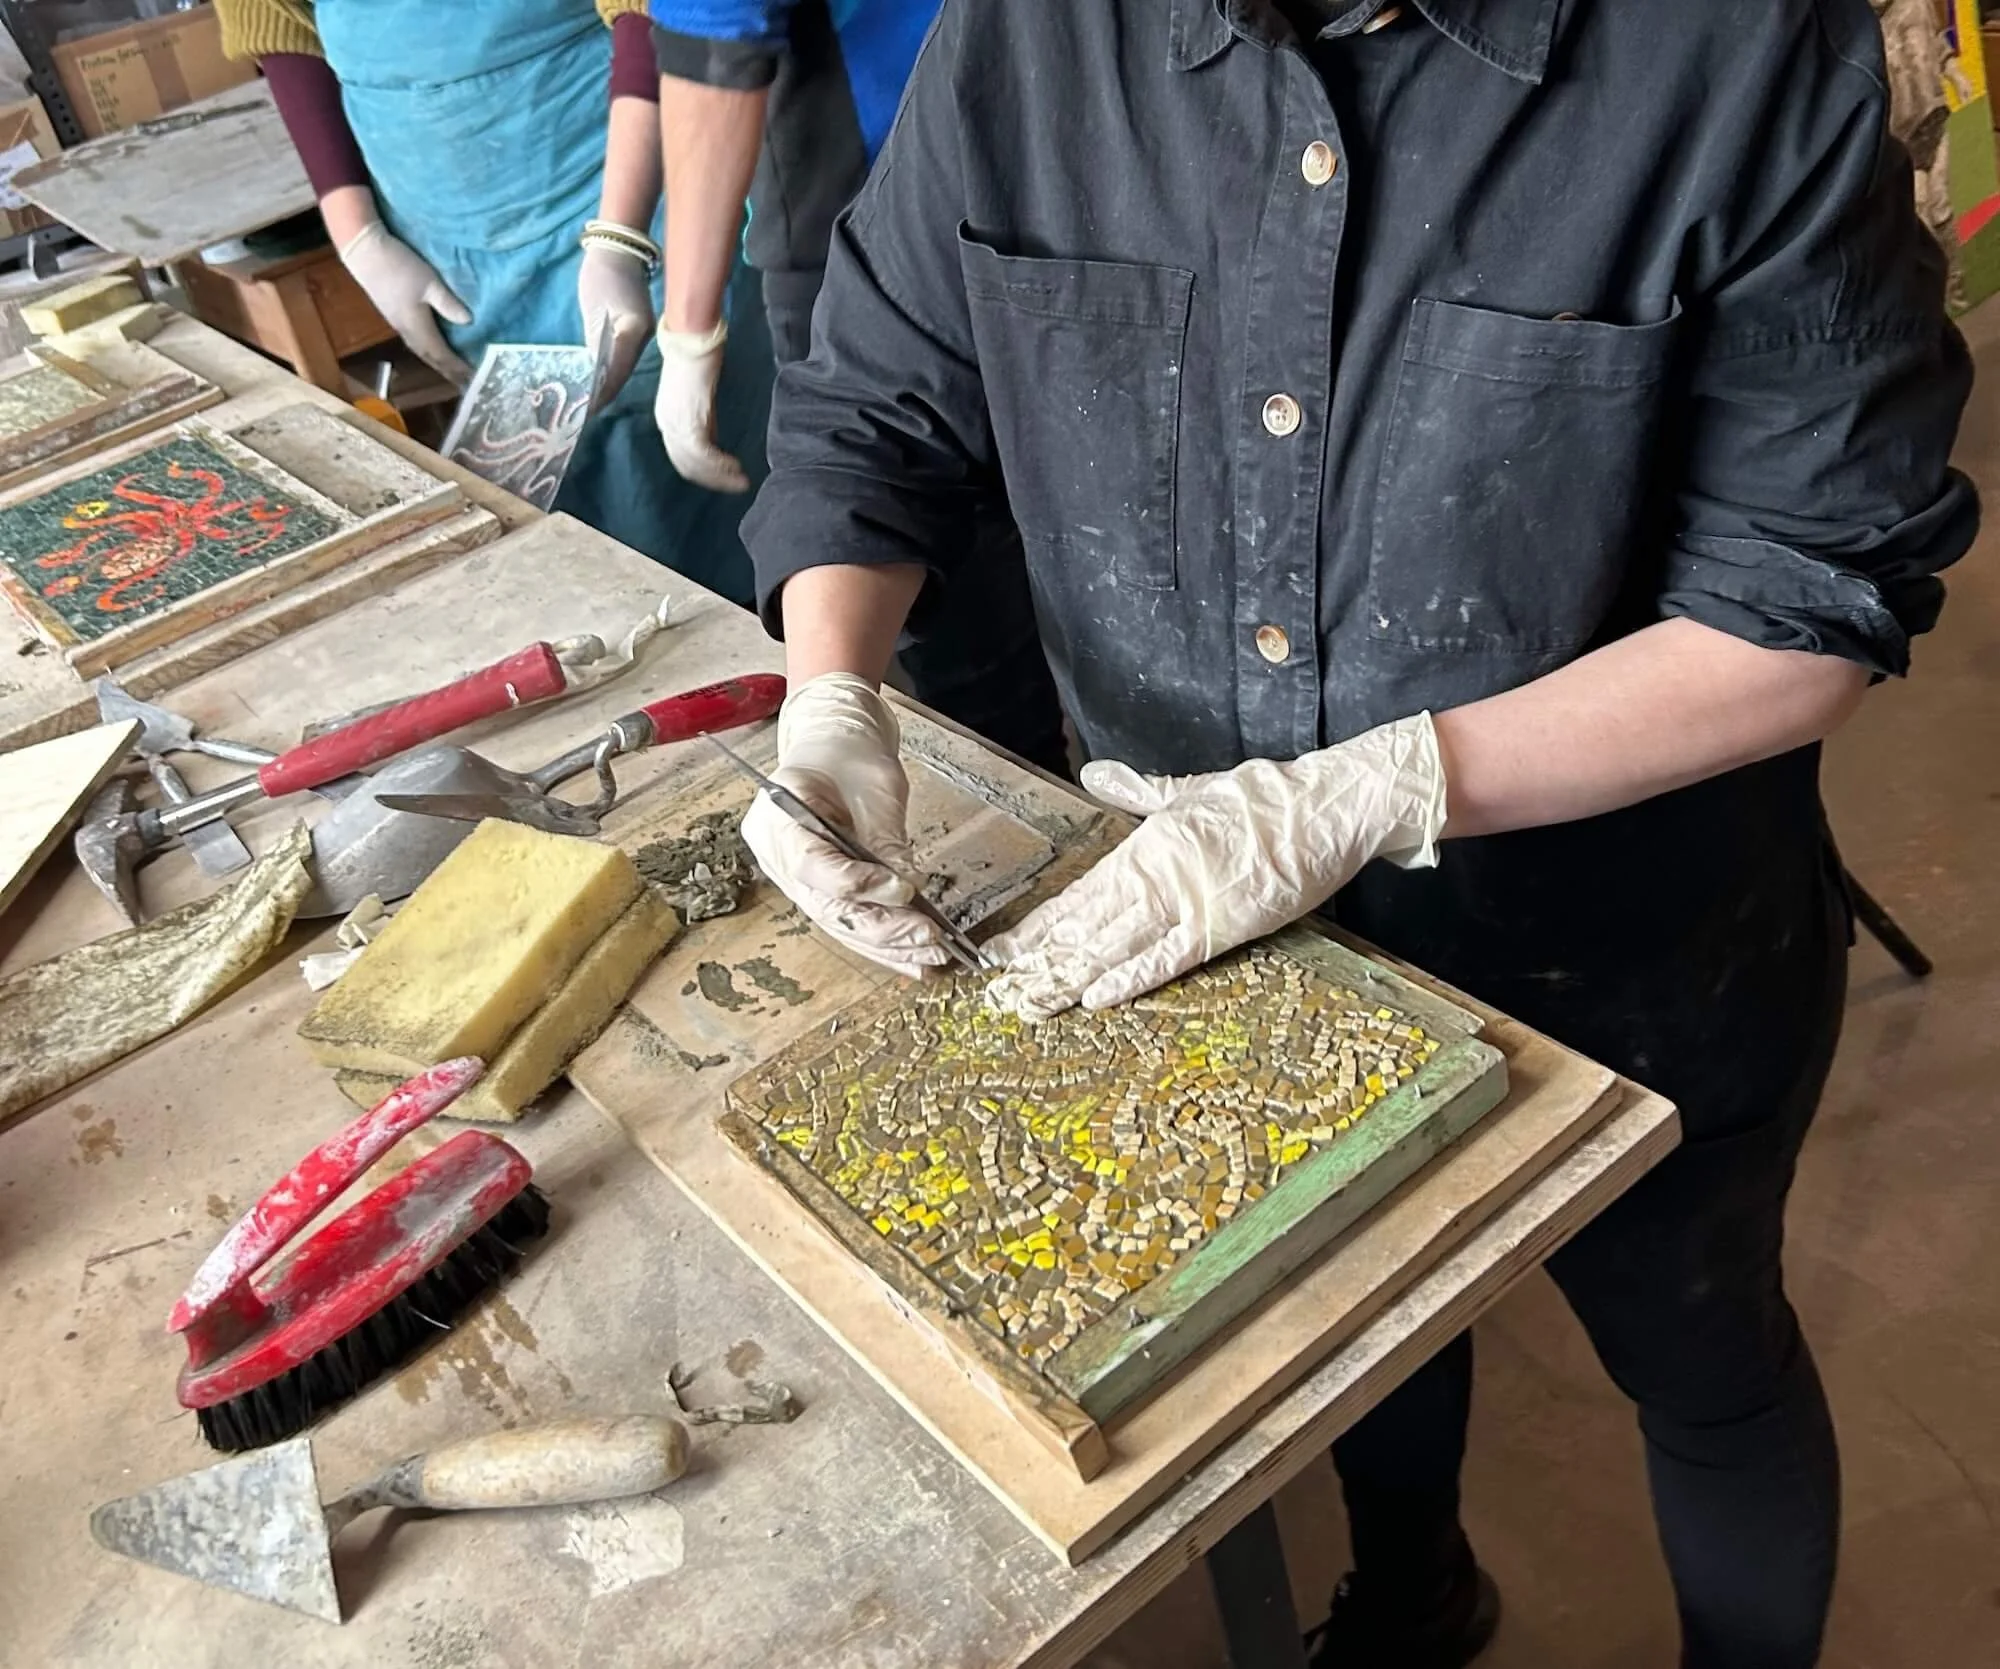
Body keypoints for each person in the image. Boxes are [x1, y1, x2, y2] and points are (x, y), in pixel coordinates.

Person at [735, 3, 1978, 1666]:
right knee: (1343, 1335)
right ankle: (1410, 1593)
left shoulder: (1735, 47)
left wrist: (1366, 789)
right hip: (1214, 919)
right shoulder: (1036, 34)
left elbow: (1807, 594)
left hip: (1623, 933)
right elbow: (877, 397)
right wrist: (830, 694)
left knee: (1704, 1351)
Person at [217, 0, 773, 601]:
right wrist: (357, 234)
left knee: (676, 477)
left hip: (614, 175)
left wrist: (619, 239)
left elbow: (671, 12)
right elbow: (265, 14)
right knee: (543, 496)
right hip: (450, 234)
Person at [643, 0, 1069, 772]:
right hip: (1048, 174)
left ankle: (1021, 773)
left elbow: (716, 44)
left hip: (874, 198)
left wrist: (689, 325)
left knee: (971, 632)